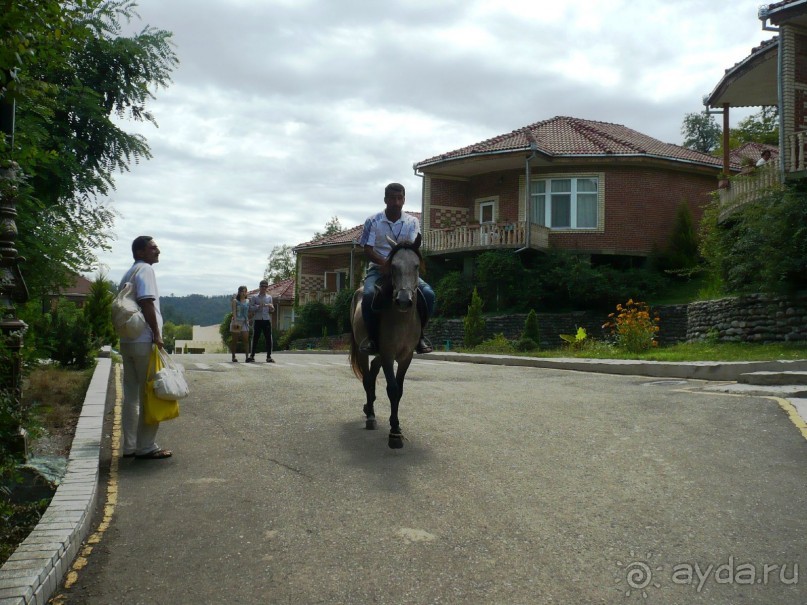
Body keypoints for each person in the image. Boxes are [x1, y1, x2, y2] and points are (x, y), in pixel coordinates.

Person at [358, 182, 435, 355]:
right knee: (369, 295)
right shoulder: (373, 221)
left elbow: (413, 247)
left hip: (405, 271)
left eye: (400, 198)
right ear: (385, 199)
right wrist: (385, 263)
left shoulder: (412, 222)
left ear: (404, 199)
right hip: (379, 269)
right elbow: (367, 249)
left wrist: (402, 264)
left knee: (429, 294)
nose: (396, 202)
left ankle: (420, 336)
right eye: (392, 198)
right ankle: (371, 339)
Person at [118, 236, 172, 460]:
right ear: (140, 252)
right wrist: (157, 335)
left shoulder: (127, 273)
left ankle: (130, 446)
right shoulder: (146, 271)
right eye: (152, 247)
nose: (157, 250)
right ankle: (146, 446)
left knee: (131, 395)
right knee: (151, 392)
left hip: (128, 341)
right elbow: (147, 302)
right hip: (144, 340)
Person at [248, 279, 275, 363]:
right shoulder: (254, 297)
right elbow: (251, 308)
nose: (263, 288)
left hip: (266, 319)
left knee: (268, 338)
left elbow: (272, 310)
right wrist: (258, 306)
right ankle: (252, 356)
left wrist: (271, 307)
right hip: (258, 319)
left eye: (265, 286)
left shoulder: (269, 297)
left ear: (267, 287)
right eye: (262, 286)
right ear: (259, 287)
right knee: (255, 338)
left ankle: (269, 356)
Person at [230, 286, 251, 362]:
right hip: (237, 321)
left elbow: (249, 311)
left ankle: (247, 357)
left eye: (245, 291)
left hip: (245, 322)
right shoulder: (235, 301)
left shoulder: (248, 301)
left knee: (246, 339)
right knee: (235, 340)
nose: (244, 293)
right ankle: (233, 356)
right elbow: (234, 311)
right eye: (242, 291)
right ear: (239, 292)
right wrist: (235, 321)